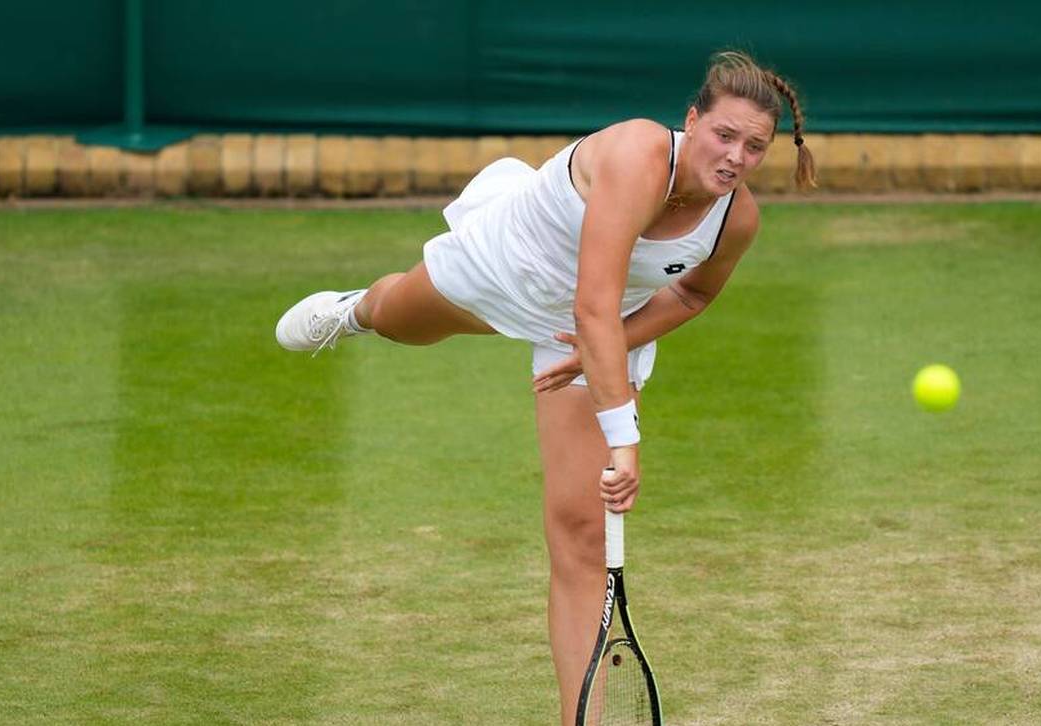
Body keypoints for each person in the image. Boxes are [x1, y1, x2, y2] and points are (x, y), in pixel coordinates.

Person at [275, 49, 815, 725]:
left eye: (755, 146)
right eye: (724, 134)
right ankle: (354, 309)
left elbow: (694, 294)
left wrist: (614, 345)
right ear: (691, 120)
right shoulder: (634, 156)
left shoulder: (737, 220)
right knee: (400, 320)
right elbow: (594, 302)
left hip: (596, 328)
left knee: (583, 533)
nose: (736, 156)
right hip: (512, 267)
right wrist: (626, 437)